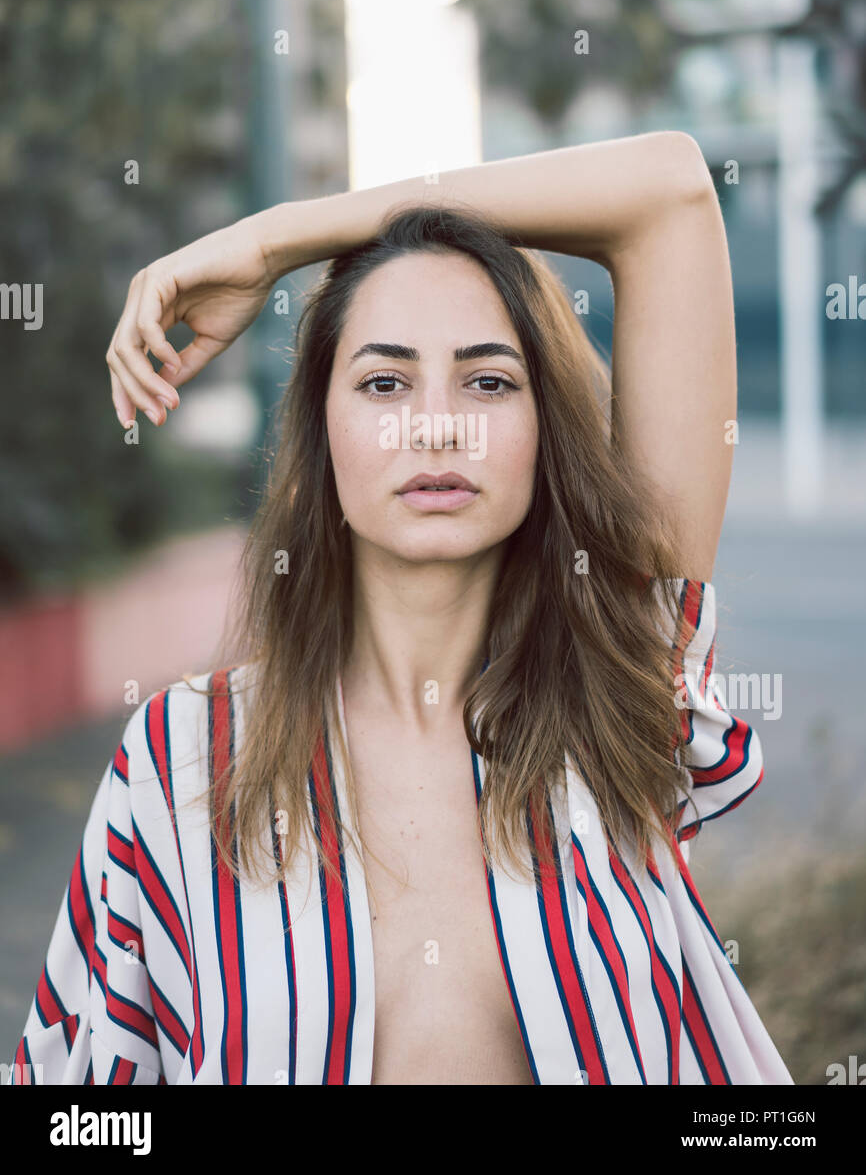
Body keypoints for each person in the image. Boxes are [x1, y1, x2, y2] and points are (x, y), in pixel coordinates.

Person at [10, 133, 793, 1085]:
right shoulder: (181, 764)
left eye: (489, 381)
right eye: (384, 381)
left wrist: (276, 241)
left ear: (546, 433)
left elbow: (670, 190)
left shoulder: (617, 693)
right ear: (322, 426)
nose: (436, 423)